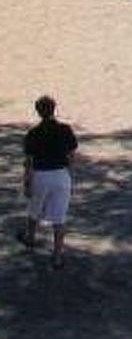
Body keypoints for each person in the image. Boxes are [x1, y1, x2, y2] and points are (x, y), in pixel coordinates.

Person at [17, 94, 79, 264]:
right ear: (54, 109)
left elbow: (28, 162)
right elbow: (72, 156)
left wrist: (27, 182)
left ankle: (30, 237)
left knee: (34, 210)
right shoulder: (65, 130)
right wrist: (71, 177)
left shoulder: (33, 133)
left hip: (40, 175)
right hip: (61, 175)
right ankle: (57, 256)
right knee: (59, 217)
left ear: (38, 112)